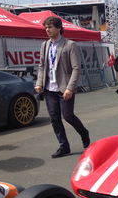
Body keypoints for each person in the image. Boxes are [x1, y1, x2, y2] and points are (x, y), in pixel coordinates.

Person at [35, 16, 90, 159]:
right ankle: (64, 146)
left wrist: (70, 88)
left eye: (50, 27)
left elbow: (76, 68)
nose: (47, 30)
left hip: (64, 87)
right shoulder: (45, 45)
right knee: (54, 118)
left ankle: (84, 133)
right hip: (49, 89)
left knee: (68, 116)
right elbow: (41, 66)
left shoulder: (70, 45)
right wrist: (39, 83)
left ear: (59, 28)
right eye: (46, 27)